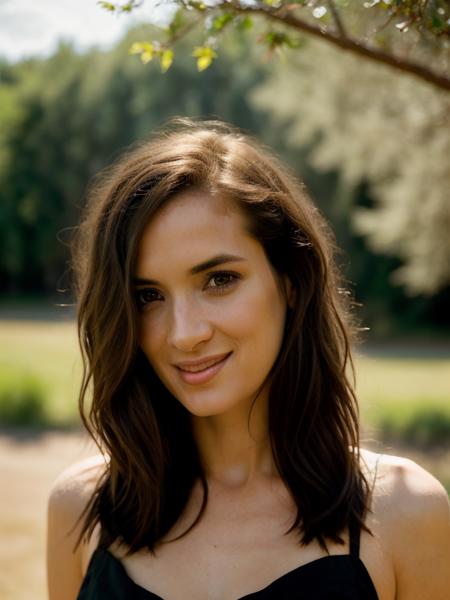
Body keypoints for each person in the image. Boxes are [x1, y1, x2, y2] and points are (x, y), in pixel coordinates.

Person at [47, 119, 450, 600]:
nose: (185, 333)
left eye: (219, 280)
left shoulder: (405, 513)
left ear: (291, 281)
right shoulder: (80, 509)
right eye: (148, 296)